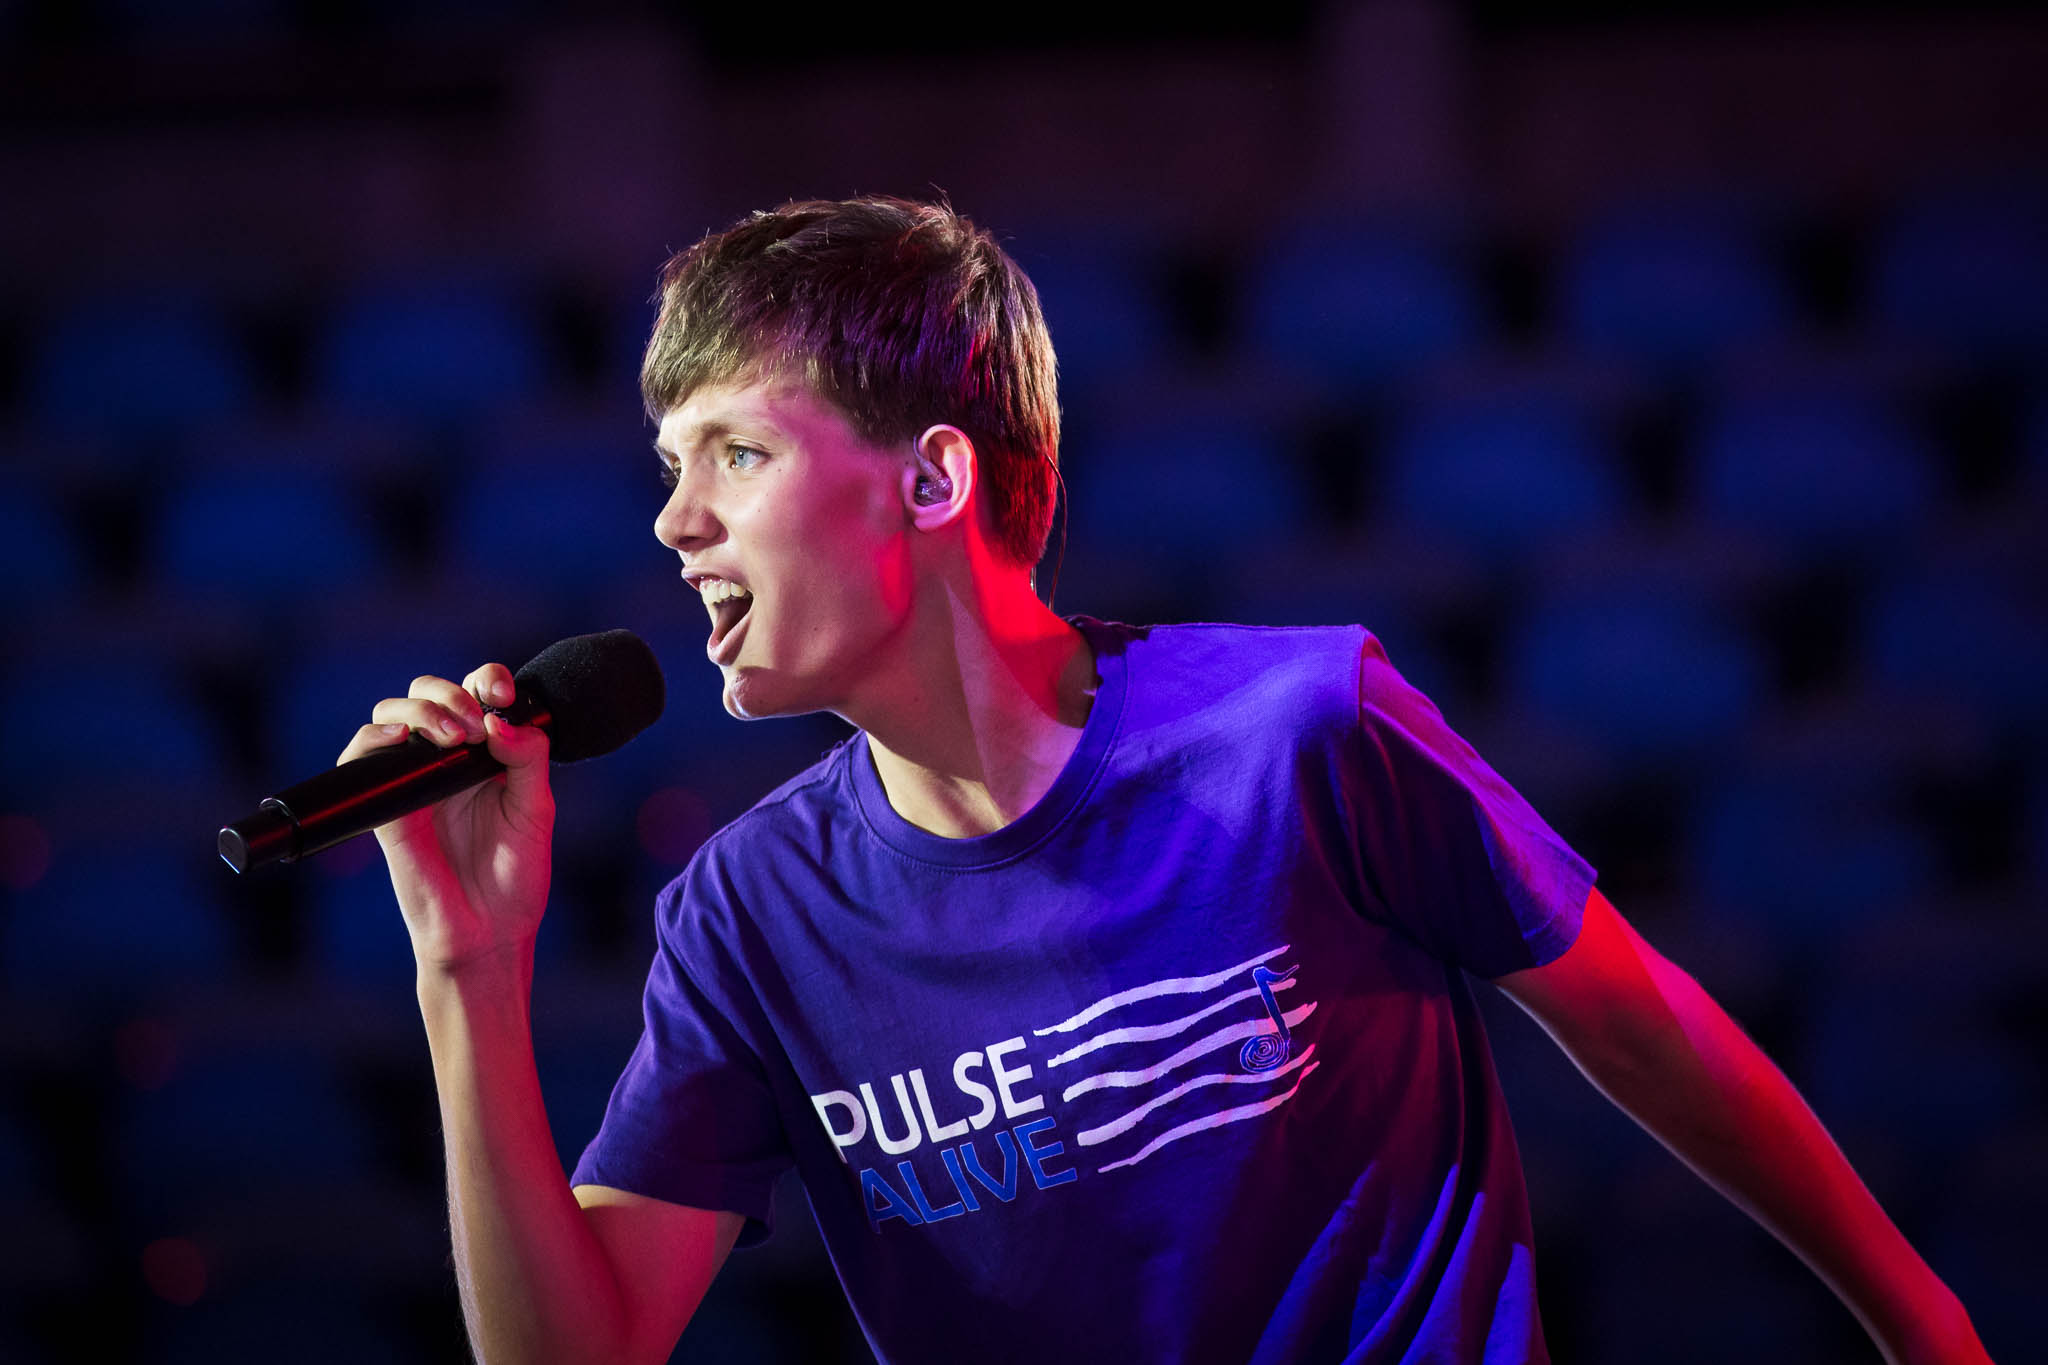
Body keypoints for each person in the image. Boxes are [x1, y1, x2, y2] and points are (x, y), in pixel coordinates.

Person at [338, 197, 1990, 1364]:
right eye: (669, 466)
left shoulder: (1299, 725)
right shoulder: (750, 915)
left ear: (931, 480)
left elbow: (1638, 1022)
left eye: (738, 454)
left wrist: (1924, 1324)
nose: (674, 520)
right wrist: (466, 970)